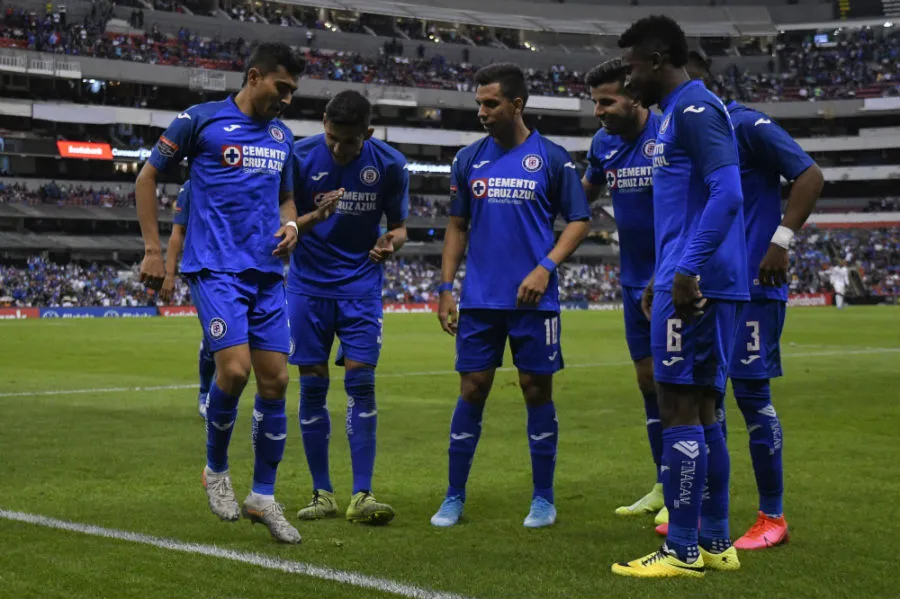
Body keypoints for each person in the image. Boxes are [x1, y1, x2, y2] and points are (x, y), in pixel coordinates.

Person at [136, 42, 320, 544]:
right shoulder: (199, 121)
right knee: (234, 371)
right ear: (254, 76)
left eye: (293, 91)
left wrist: (292, 226)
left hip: (267, 272)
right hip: (215, 267)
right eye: (281, 88)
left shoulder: (282, 136)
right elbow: (147, 176)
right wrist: (154, 250)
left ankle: (263, 495)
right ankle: (215, 470)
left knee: (277, 382)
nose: (286, 99)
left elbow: (287, 197)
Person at [613, 16, 748, 577]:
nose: (627, 80)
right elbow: (689, 204)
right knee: (706, 411)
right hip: (691, 276)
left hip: (698, 282)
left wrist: (685, 270)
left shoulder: (694, 109)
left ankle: (682, 549)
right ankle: (715, 543)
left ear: (660, 57)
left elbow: (728, 191)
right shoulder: (678, 115)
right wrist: (661, 273)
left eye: (632, 66)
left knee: (677, 411)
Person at [430, 63, 591, 529]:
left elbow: (579, 220)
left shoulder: (553, 158)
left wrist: (545, 267)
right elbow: (457, 226)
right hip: (480, 300)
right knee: (472, 388)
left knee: (535, 388)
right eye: (479, 103)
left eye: (490, 103)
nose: (482, 111)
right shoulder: (469, 159)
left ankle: (543, 499)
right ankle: (453, 495)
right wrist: (445, 289)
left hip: (534, 302)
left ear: (517, 105)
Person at [676, 50, 824, 550]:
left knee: (752, 397)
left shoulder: (744, 124)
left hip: (755, 287)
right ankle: (704, 517)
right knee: (706, 399)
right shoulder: (684, 132)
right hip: (712, 283)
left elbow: (809, 174)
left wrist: (779, 241)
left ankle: (773, 516)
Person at [287, 90, 409, 525]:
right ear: (323, 122)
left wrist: (389, 241)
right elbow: (283, 222)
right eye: (333, 138)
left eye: (350, 142)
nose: (339, 149)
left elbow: (399, 227)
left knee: (361, 382)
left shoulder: (389, 164)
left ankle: (362, 494)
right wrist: (309, 221)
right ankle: (322, 494)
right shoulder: (298, 157)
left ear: (368, 134)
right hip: (307, 286)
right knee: (313, 383)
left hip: (360, 285)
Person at [582, 57, 665, 521]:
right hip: (633, 281)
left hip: (673, 280)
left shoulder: (669, 134)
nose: (599, 111)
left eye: (607, 101)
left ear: (634, 97)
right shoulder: (603, 143)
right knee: (648, 382)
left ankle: (688, 490)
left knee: (684, 390)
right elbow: (586, 193)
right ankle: (662, 482)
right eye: (595, 102)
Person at [160, 180, 217, 420]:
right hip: (207, 270)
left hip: (244, 264)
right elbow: (178, 232)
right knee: (214, 334)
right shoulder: (192, 186)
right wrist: (169, 274)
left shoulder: (244, 176)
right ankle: (206, 393)